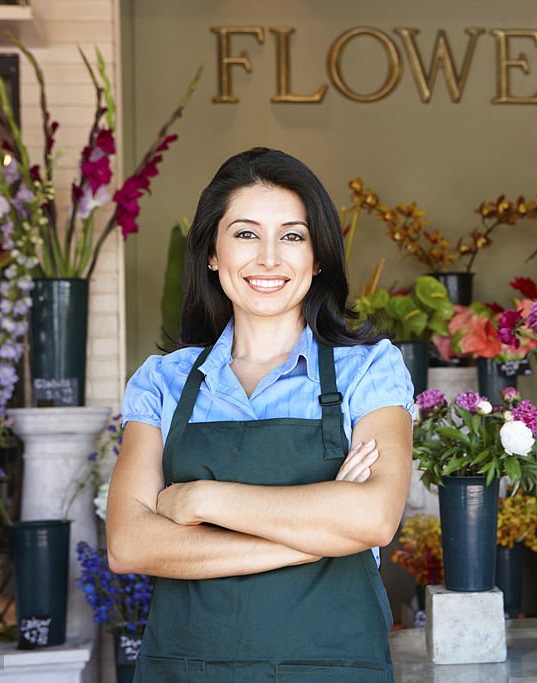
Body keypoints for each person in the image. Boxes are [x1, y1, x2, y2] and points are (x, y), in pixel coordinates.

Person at [107, 147, 414, 682]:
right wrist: (315, 537)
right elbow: (129, 544)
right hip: (187, 670)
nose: (269, 258)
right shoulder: (162, 380)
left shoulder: (370, 370)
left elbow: (373, 519)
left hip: (332, 669)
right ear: (211, 252)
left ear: (317, 257)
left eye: (292, 235)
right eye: (246, 234)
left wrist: (199, 498)